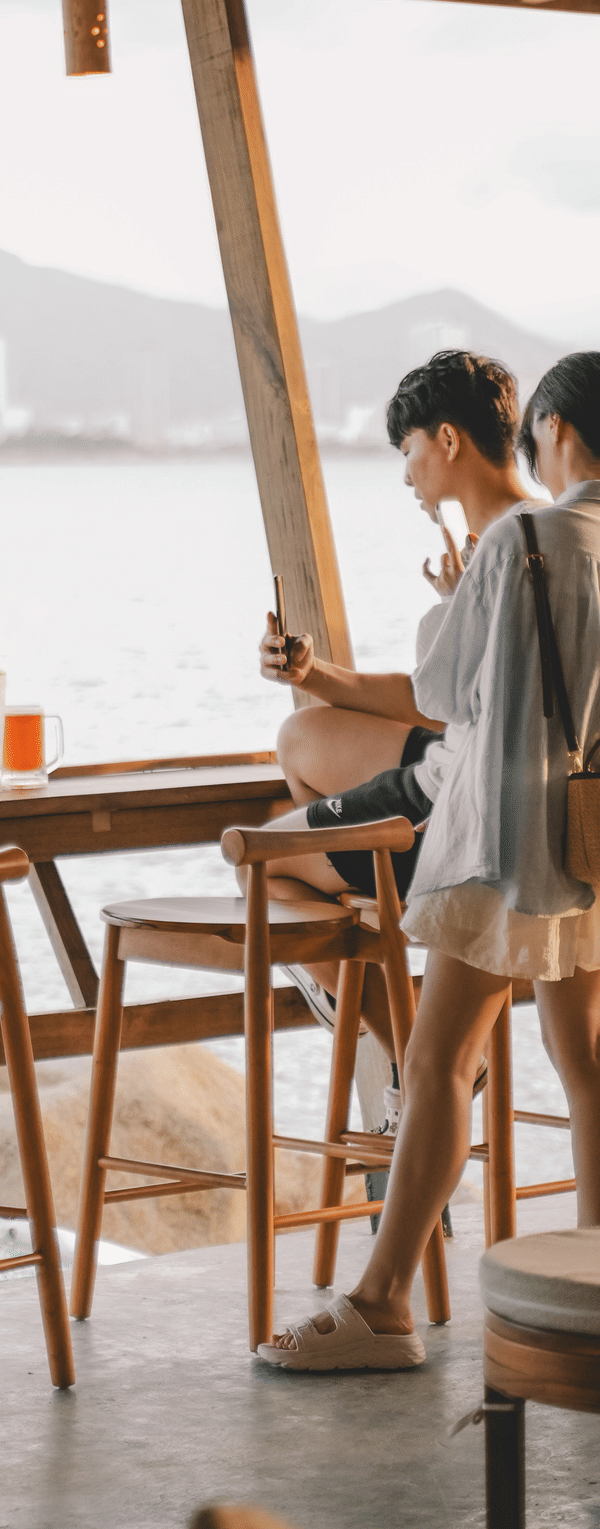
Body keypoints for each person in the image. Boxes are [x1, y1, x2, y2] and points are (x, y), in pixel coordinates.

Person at [262, 351, 600, 1370]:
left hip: (500, 837)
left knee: (439, 1061)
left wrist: (461, 592)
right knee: (586, 1065)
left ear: (555, 430)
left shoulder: (530, 538)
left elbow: (446, 687)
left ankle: (382, 1303)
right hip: (589, 841)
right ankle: (589, 1276)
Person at [252, 351, 530, 1073]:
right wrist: (316, 672)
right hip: (482, 769)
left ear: (446, 440)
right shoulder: (528, 532)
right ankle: (368, 921)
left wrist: (453, 605)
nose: (407, 474)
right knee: (302, 733)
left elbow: (436, 701)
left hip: (464, 806)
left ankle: (407, 1058)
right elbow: (456, 698)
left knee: (263, 866)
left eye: (408, 451)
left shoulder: (500, 552)